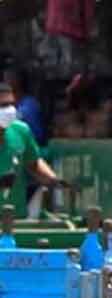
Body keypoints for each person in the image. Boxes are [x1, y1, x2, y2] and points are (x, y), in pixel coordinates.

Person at [2, 77, 71, 219]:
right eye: (3, 106)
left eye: (11, 104)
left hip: (16, 220)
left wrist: (54, 180)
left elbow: (33, 163)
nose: (8, 110)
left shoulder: (21, 130)